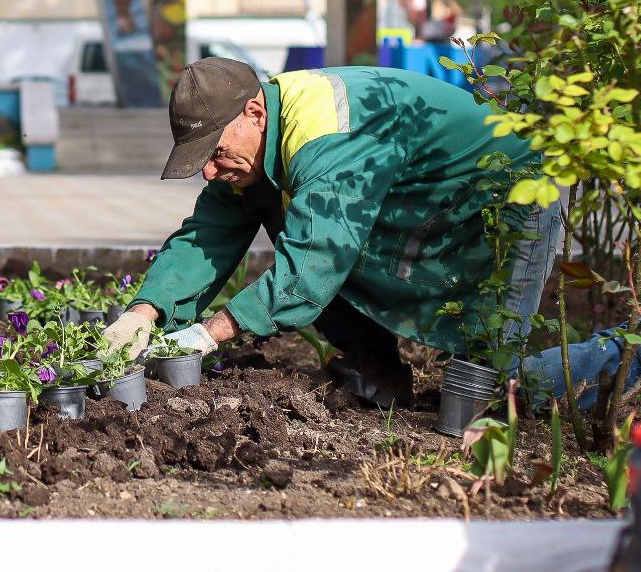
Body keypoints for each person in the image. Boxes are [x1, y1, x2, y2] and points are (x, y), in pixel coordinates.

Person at [102, 57, 638, 409]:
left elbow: (315, 264)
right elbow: (208, 234)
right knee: (286, 218)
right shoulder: (257, 143)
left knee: (489, 390)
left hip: (511, 195)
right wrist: (144, 311)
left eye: (214, 153)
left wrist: (207, 334)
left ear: (254, 111)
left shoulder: (328, 132)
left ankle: (622, 357)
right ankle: (380, 372)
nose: (209, 172)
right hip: (427, 207)